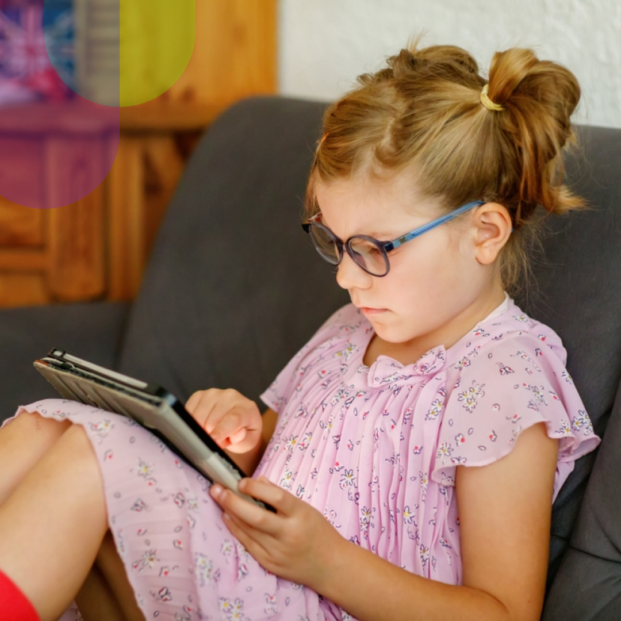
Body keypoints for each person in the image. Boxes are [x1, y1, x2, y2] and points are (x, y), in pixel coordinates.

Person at [0, 40, 602, 621]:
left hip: (318, 599)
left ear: (485, 233)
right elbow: (278, 446)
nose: (346, 277)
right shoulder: (351, 330)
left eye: (371, 248)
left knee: (89, 455)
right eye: (336, 244)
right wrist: (238, 435)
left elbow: (503, 613)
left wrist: (327, 564)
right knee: (44, 426)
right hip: (251, 571)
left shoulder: (504, 382)